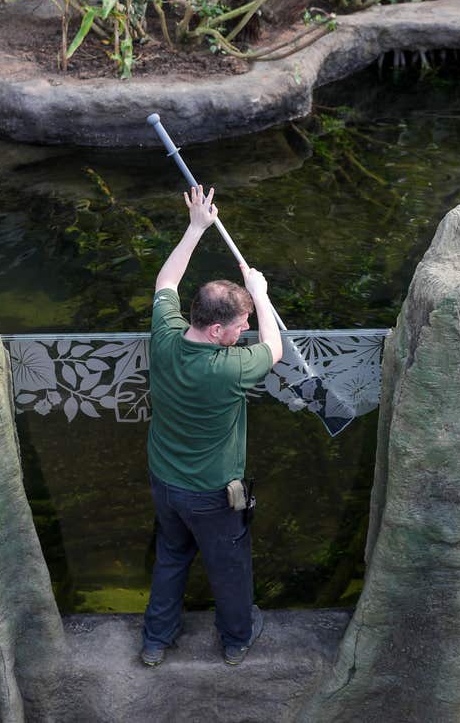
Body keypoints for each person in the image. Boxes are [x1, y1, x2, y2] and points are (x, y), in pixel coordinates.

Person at [141, 184, 283, 668]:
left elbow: (166, 281)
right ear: (218, 330)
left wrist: (195, 228)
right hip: (211, 494)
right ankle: (237, 639)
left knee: (171, 556)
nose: (244, 331)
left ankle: (156, 641)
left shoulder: (163, 337)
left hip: (165, 482)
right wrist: (261, 296)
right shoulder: (230, 367)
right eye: (239, 325)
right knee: (228, 566)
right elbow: (276, 348)